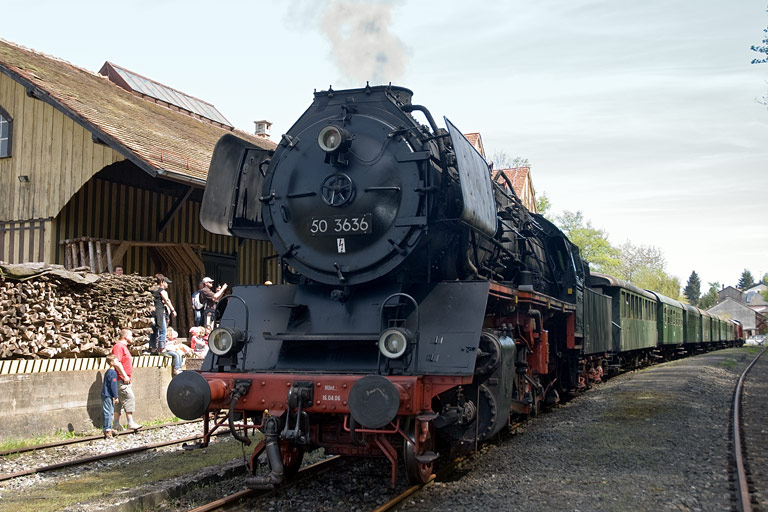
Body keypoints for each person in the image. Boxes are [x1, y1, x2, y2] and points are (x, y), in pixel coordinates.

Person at [112, 328, 142, 431]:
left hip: (122, 379)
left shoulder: (123, 347)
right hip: (121, 379)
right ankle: (130, 422)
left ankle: (116, 424)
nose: (132, 338)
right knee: (129, 398)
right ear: (125, 336)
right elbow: (116, 362)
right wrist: (124, 375)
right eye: (130, 335)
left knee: (119, 402)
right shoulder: (119, 347)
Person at [148, 274, 177, 354]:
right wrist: (173, 310)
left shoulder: (152, 290)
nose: (167, 285)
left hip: (153, 312)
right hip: (160, 311)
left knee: (154, 330)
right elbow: (167, 300)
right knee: (162, 330)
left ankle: (153, 348)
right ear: (162, 282)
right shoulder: (162, 291)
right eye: (166, 283)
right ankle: (162, 348)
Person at [101, 354, 120, 438]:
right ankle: (107, 430)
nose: (118, 362)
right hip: (108, 395)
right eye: (116, 360)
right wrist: (116, 396)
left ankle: (109, 427)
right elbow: (113, 386)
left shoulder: (108, 372)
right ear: (112, 362)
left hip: (106, 394)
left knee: (109, 411)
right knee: (108, 412)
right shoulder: (113, 373)